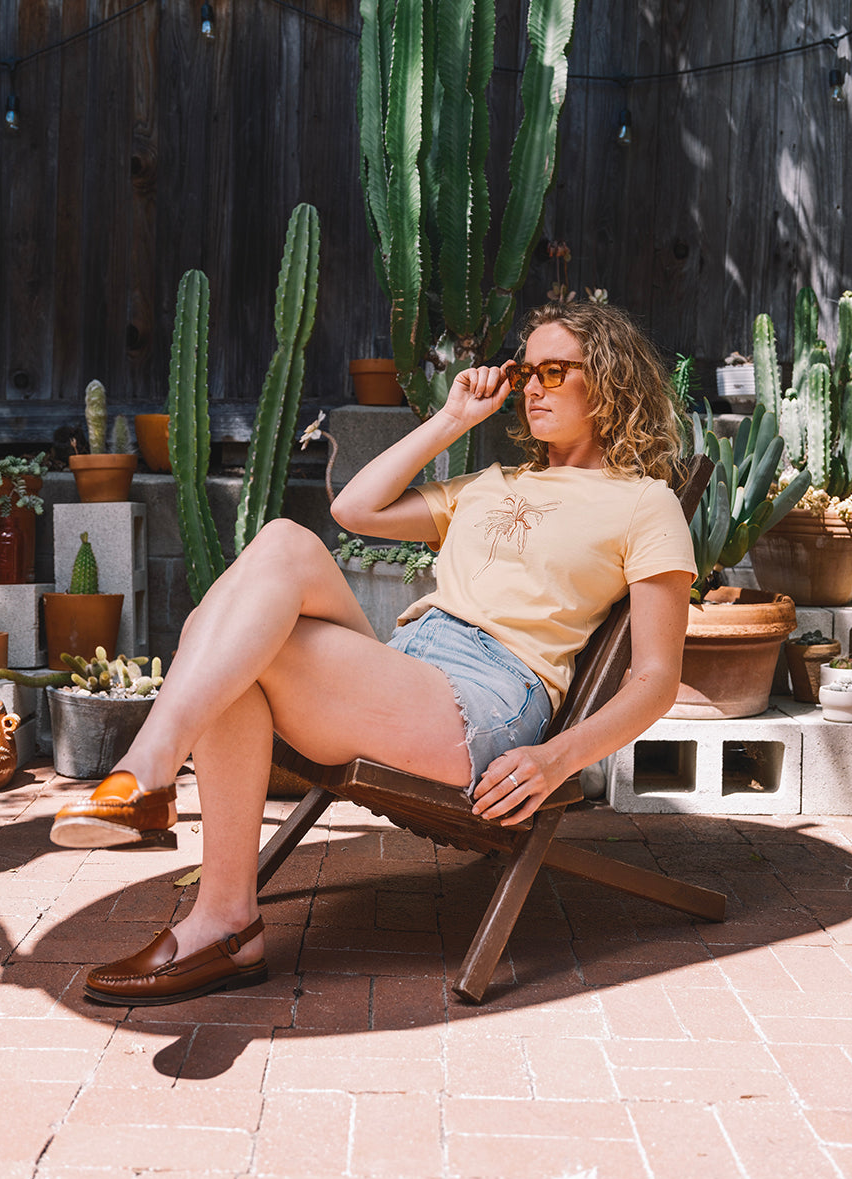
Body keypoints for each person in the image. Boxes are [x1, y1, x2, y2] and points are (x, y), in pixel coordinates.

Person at [51, 299, 697, 1006]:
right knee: (282, 547)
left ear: (605, 380)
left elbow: (655, 678)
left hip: (484, 701)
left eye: (552, 370)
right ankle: (221, 916)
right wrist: (451, 420)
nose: (532, 387)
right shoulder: (489, 485)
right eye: (523, 371)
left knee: (234, 635)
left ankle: (153, 790)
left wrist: (557, 757)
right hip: (405, 665)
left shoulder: (644, 504)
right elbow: (354, 509)